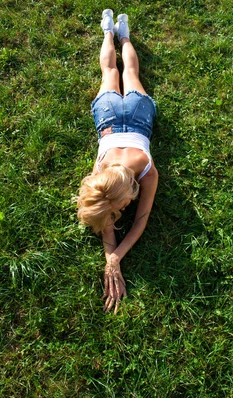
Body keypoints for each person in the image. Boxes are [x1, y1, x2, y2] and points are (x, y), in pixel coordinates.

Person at [76, 10, 158, 313]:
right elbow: (110, 212)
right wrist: (113, 258)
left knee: (118, 72)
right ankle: (116, 32)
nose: (123, 211)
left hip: (136, 119)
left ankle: (114, 33)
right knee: (120, 72)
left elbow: (140, 221)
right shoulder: (101, 180)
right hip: (113, 115)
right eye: (120, 208)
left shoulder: (147, 172)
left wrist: (114, 256)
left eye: (118, 208)